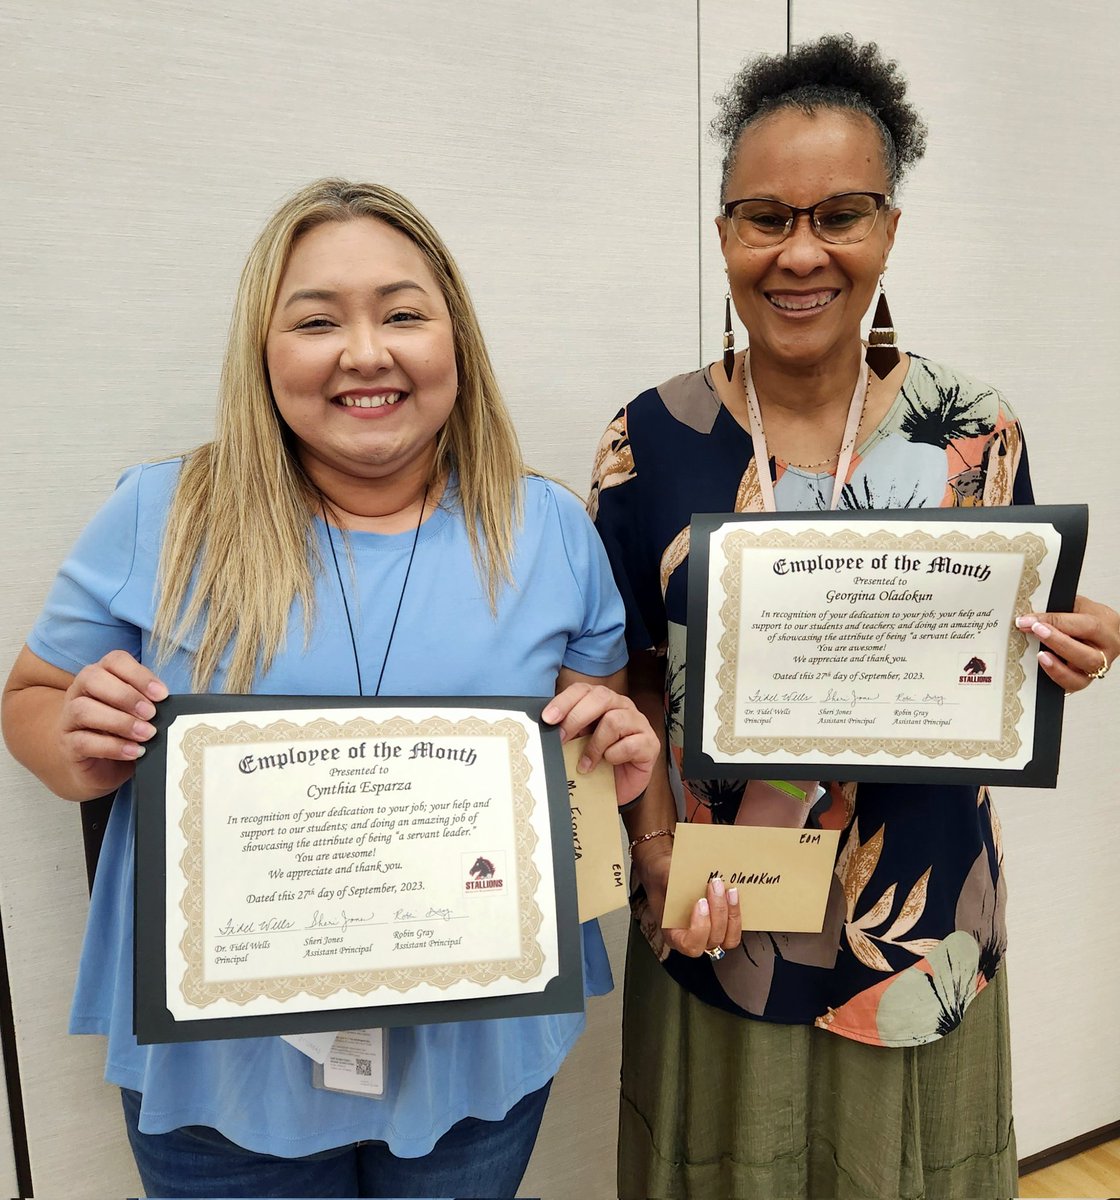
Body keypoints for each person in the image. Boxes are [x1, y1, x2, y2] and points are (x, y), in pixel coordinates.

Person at [1, 178, 658, 1200]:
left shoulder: (548, 528)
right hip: (224, 1062)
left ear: (456, 340)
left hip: (475, 1043)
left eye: (403, 313)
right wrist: (70, 743)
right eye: (317, 320)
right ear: (263, 354)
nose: (365, 353)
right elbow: (32, 698)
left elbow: (588, 747)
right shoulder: (162, 514)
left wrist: (613, 750)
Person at [590, 34, 1120, 1200]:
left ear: (889, 226)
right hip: (716, 914)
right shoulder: (650, 437)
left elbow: (1010, 637)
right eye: (762, 217)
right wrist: (658, 857)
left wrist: (1073, 644)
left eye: (840, 213)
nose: (800, 253)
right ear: (722, 232)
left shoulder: (970, 427)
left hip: (919, 920)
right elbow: (619, 678)